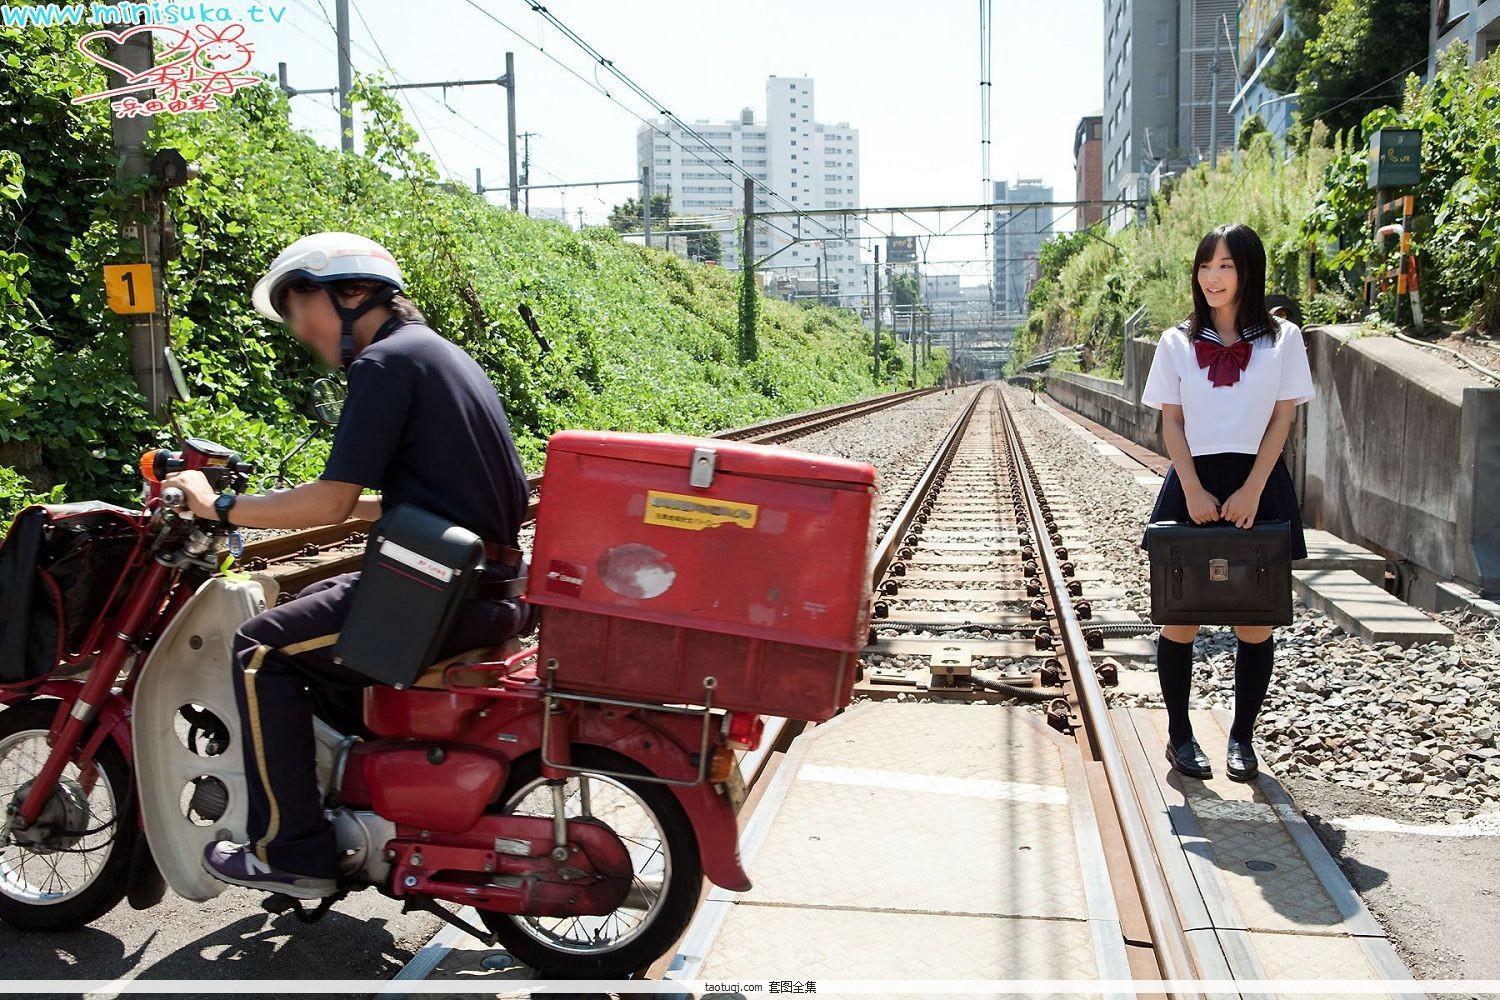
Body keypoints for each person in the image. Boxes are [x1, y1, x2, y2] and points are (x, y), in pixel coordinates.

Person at [160, 232, 531, 899]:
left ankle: (292, 850)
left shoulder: (384, 365)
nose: (302, 331)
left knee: (258, 649)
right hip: (479, 582)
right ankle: (348, 810)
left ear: (347, 294)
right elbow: (390, 501)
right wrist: (265, 507)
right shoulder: (437, 356)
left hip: (439, 593)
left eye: (301, 310)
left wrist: (219, 505)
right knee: (315, 609)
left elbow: (330, 503)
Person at [1136, 222, 1316, 783]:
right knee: (1179, 619)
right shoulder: (1176, 341)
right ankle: (1180, 735)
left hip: (1257, 482)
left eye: (1226, 266)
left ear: (1248, 271)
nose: (1212, 278)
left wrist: (1253, 489)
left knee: (1254, 622)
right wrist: (1190, 488)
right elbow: (1172, 420)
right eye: (1205, 266)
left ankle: (1242, 736)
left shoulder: (1282, 339)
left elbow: (1284, 418)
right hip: (1192, 477)